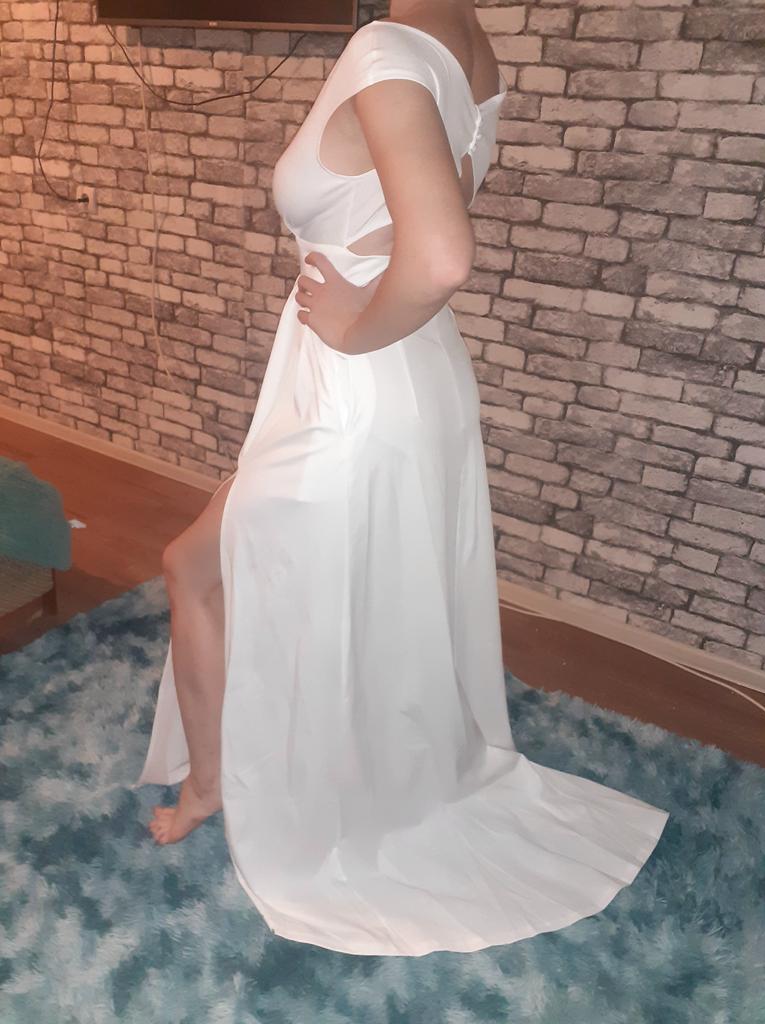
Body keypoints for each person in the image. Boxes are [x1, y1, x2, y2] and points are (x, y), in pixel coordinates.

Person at [135, 0, 670, 957]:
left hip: (355, 390)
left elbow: (440, 254)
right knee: (360, 592)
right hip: (417, 374)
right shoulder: (475, 51)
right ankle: (348, 773)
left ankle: (216, 786)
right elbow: (422, 221)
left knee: (192, 567)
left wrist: (349, 327)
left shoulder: (383, 46)